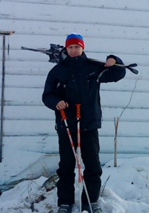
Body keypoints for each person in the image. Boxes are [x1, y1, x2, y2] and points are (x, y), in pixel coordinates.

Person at [42, 33, 126, 213]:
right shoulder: (58, 71)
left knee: (93, 166)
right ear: (66, 48)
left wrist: (114, 60)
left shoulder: (93, 68)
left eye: (77, 47)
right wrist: (56, 102)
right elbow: (47, 95)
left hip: (89, 123)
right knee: (66, 166)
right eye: (70, 47)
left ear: (82, 48)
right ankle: (65, 203)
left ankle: (90, 201)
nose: (73, 50)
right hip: (66, 123)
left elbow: (119, 73)